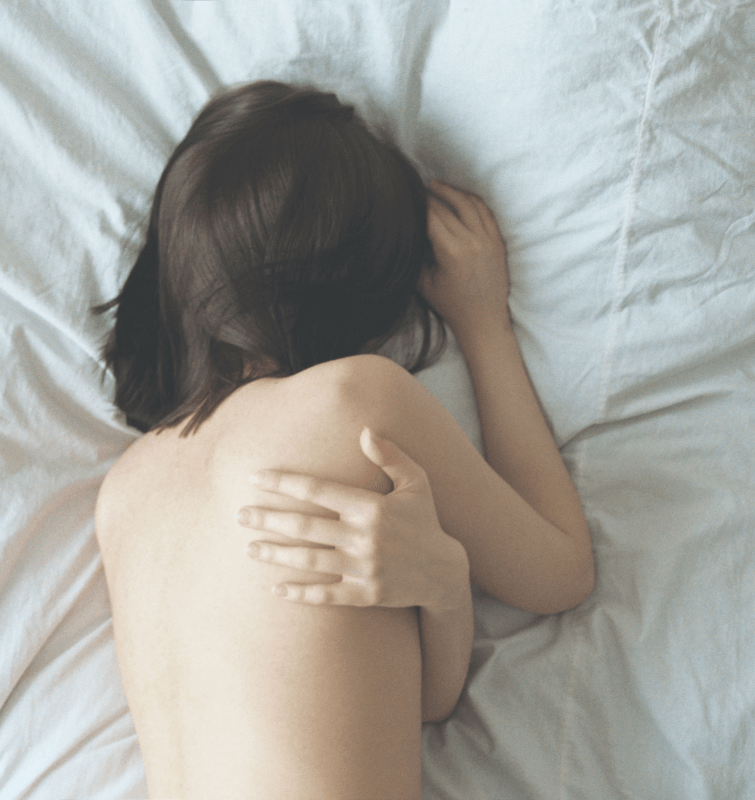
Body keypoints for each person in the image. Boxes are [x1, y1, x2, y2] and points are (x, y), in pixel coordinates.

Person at [94, 80, 594, 800]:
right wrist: (485, 324)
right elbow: (562, 571)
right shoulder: (351, 400)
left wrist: (445, 586)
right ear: (365, 289)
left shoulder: (126, 491)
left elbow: (408, 706)